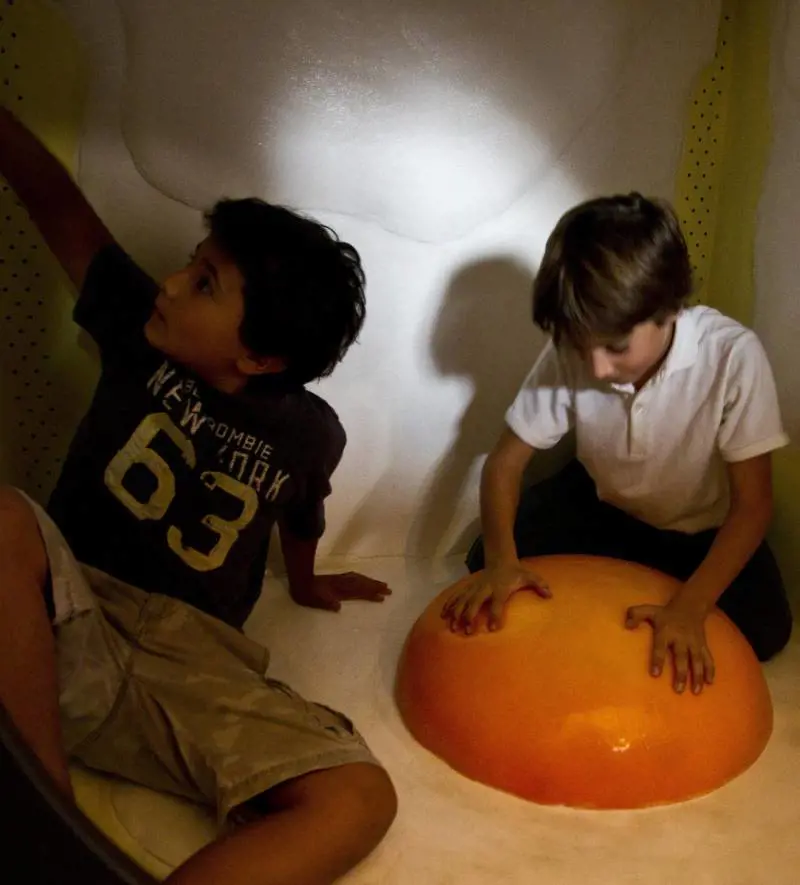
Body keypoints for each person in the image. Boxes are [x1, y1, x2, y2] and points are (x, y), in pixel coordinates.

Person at [0, 105, 396, 885]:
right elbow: (54, 200)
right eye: (192, 262)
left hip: (194, 664)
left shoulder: (311, 432)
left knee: (360, 793)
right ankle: (46, 825)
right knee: (3, 519)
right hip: (72, 620)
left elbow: (301, 508)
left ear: (259, 354)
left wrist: (308, 579)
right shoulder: (133, 321)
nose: (173, 284)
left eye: (205, 282)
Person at [442, 193, 793, 696]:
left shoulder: (733, 355)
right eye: (583, 349)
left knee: (765, 632)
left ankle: (663, 582)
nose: (598, 368)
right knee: (486, 561)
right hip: (602, 505)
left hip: (699, 530)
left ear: (670, 307)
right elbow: (503, 466)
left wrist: (691, 605)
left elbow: (754, 506)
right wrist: (502, 561)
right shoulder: (575, 348)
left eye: (617, 348)